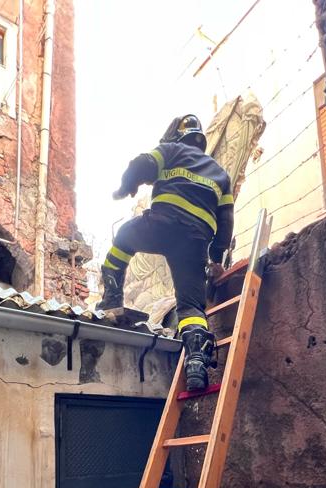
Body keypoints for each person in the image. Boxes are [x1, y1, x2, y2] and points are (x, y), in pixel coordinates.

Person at [98, 114, 235, 391]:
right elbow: (226, 223)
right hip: (195, 242)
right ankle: (196, 361)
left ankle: (112, 298)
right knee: (192, 306)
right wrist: (216, 258)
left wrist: (127, 186)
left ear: (177, 136)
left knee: (123, 240)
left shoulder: (171, 150)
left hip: (162, 224)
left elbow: (142, 164)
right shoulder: (221, 175)